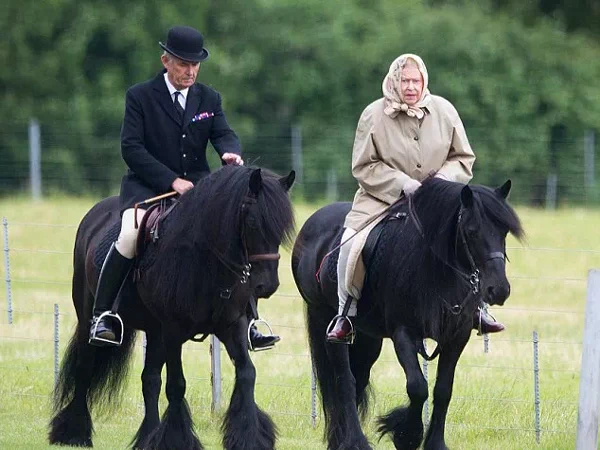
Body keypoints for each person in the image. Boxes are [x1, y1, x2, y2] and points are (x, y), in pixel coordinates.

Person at [89, 25, 279, 350]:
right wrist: (170, 180)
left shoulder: (209, 97)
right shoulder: (140, 96)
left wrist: (229, 152)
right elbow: (132, 149)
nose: (190, 71)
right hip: (148, 191)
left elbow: (223, 133)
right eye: (182, 64)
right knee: (129, 234)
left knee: (234, 235)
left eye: (195, 64)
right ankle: (103, 315)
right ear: (166, 60)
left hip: (199, 193)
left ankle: (250, 320)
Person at [326, 54, 505, 344]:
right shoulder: (373, 114)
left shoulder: (445, 110)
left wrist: (441, 182)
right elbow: (363, 166)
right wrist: (403, 184)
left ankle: (477, 309)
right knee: (352, 247)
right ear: (394, 81)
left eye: (416, 80)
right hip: (382, 199)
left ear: (424, 81)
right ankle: (346, 314)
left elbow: (463, 157)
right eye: (405, 80)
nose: (411, 87)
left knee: (468, 239)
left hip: (440, 200)